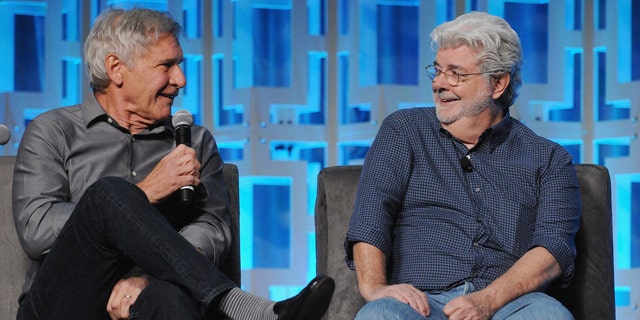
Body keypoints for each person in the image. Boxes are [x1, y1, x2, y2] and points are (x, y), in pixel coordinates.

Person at [13, 7, 334, 320]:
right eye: (166, 66)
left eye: (179, 65)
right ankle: (242, 307)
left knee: (170, 296)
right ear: (116, 68)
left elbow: (212, 228)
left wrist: (147, 275)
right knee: (106, 195)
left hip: (156, 292)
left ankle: (217, 298)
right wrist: (147, 191)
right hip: (63, 302)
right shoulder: (54, 130)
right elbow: (36, 230)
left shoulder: (193, 141)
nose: (180, 80)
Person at [345, 11, 580, 320]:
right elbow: (370, 217)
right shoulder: (404, 131)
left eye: (455, 73)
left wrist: (487, 301)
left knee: (549, 316)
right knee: (380, 315)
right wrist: (374, 289)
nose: (439, 84)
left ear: (497, 83)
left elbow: (552, 250)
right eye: (438, 71)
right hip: (419, 302)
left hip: (509, 304)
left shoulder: (549, 159)